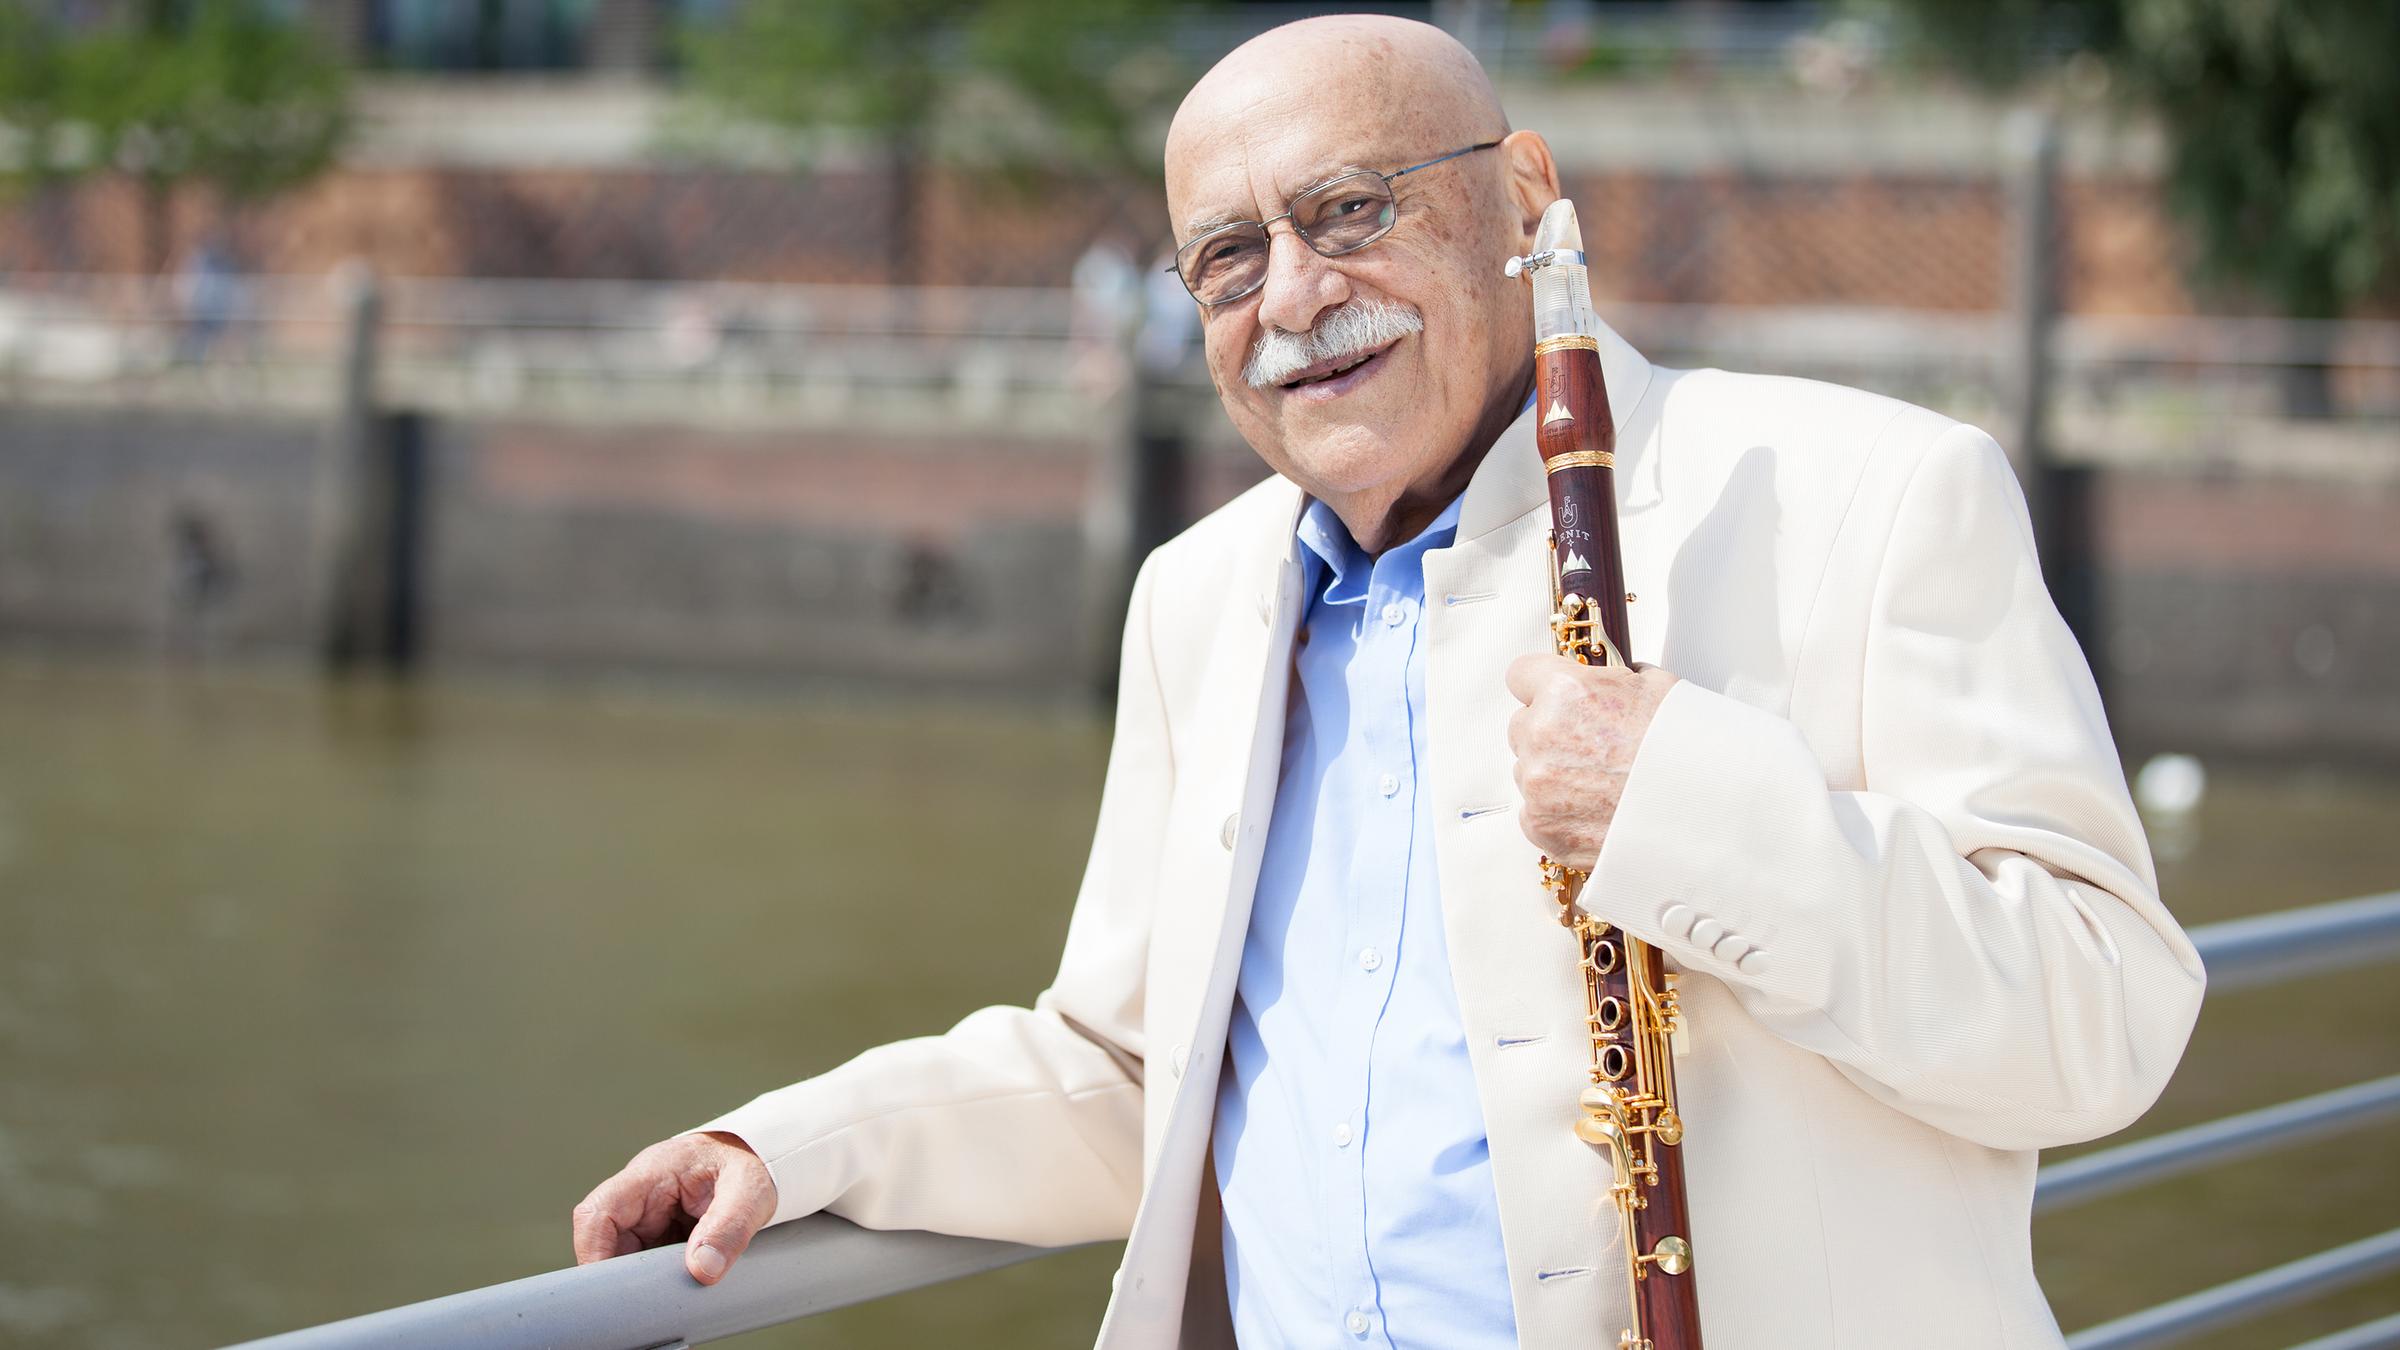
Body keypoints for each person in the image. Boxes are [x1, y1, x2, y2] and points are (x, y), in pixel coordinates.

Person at [572, 17, 2206, 1348]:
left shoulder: (1869, 494)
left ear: (1524, 198)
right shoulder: (1197, 598)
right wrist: (783, 1153)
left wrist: (1699, 816)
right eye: (1224, 255)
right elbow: (1142, 1067)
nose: (1290, 296)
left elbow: (2104, 1016)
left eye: (1349, 209)